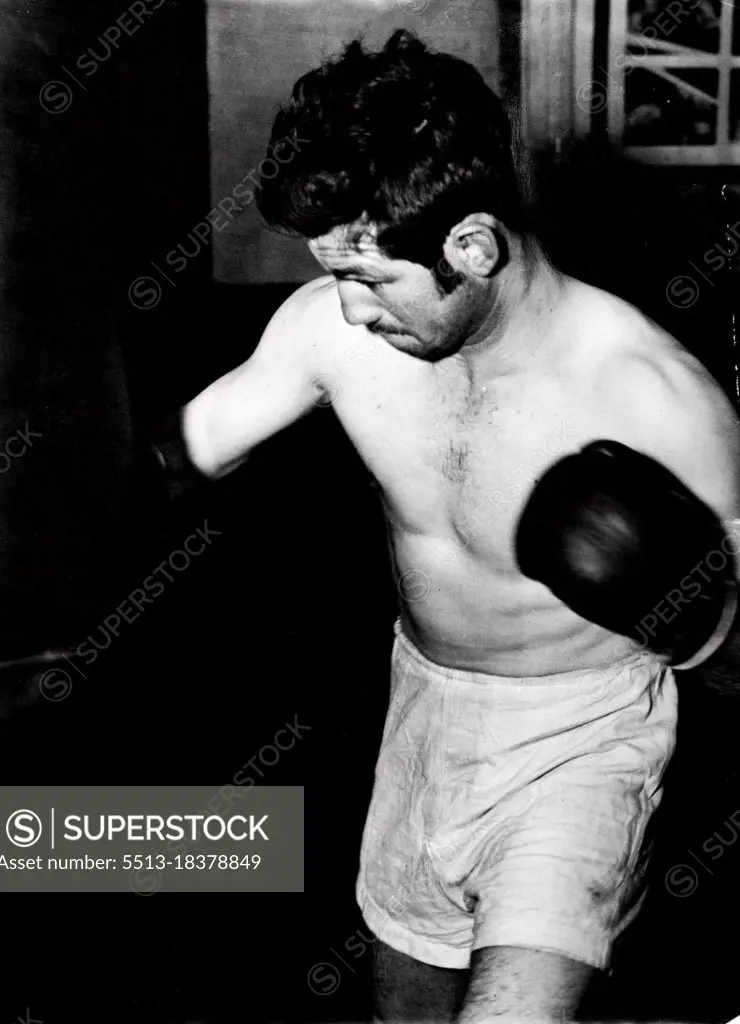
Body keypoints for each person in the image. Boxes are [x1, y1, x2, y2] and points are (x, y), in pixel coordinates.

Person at [165, 30, 740, 1023]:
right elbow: (181, 449)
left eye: (371, 278)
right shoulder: (326, 331)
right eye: (332, 274)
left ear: (471, 246)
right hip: (421, 720)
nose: (344, 311)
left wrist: (689, 610)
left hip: (583, 735)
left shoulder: (655, 400)